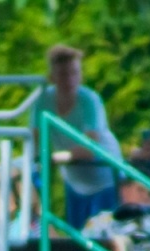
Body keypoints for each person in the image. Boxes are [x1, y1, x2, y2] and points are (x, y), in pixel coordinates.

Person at [29, 44, 119, 230]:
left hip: (106, 179)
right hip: (76, 183)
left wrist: (54, 158)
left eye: (74, 73)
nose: (69, 80)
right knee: (76, 241)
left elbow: (89, 148)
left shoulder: (89, 100)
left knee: (105, 238)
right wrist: (38, 160)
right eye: (63, 74)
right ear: (52, 77)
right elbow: (36, 140)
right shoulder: (43, 101)